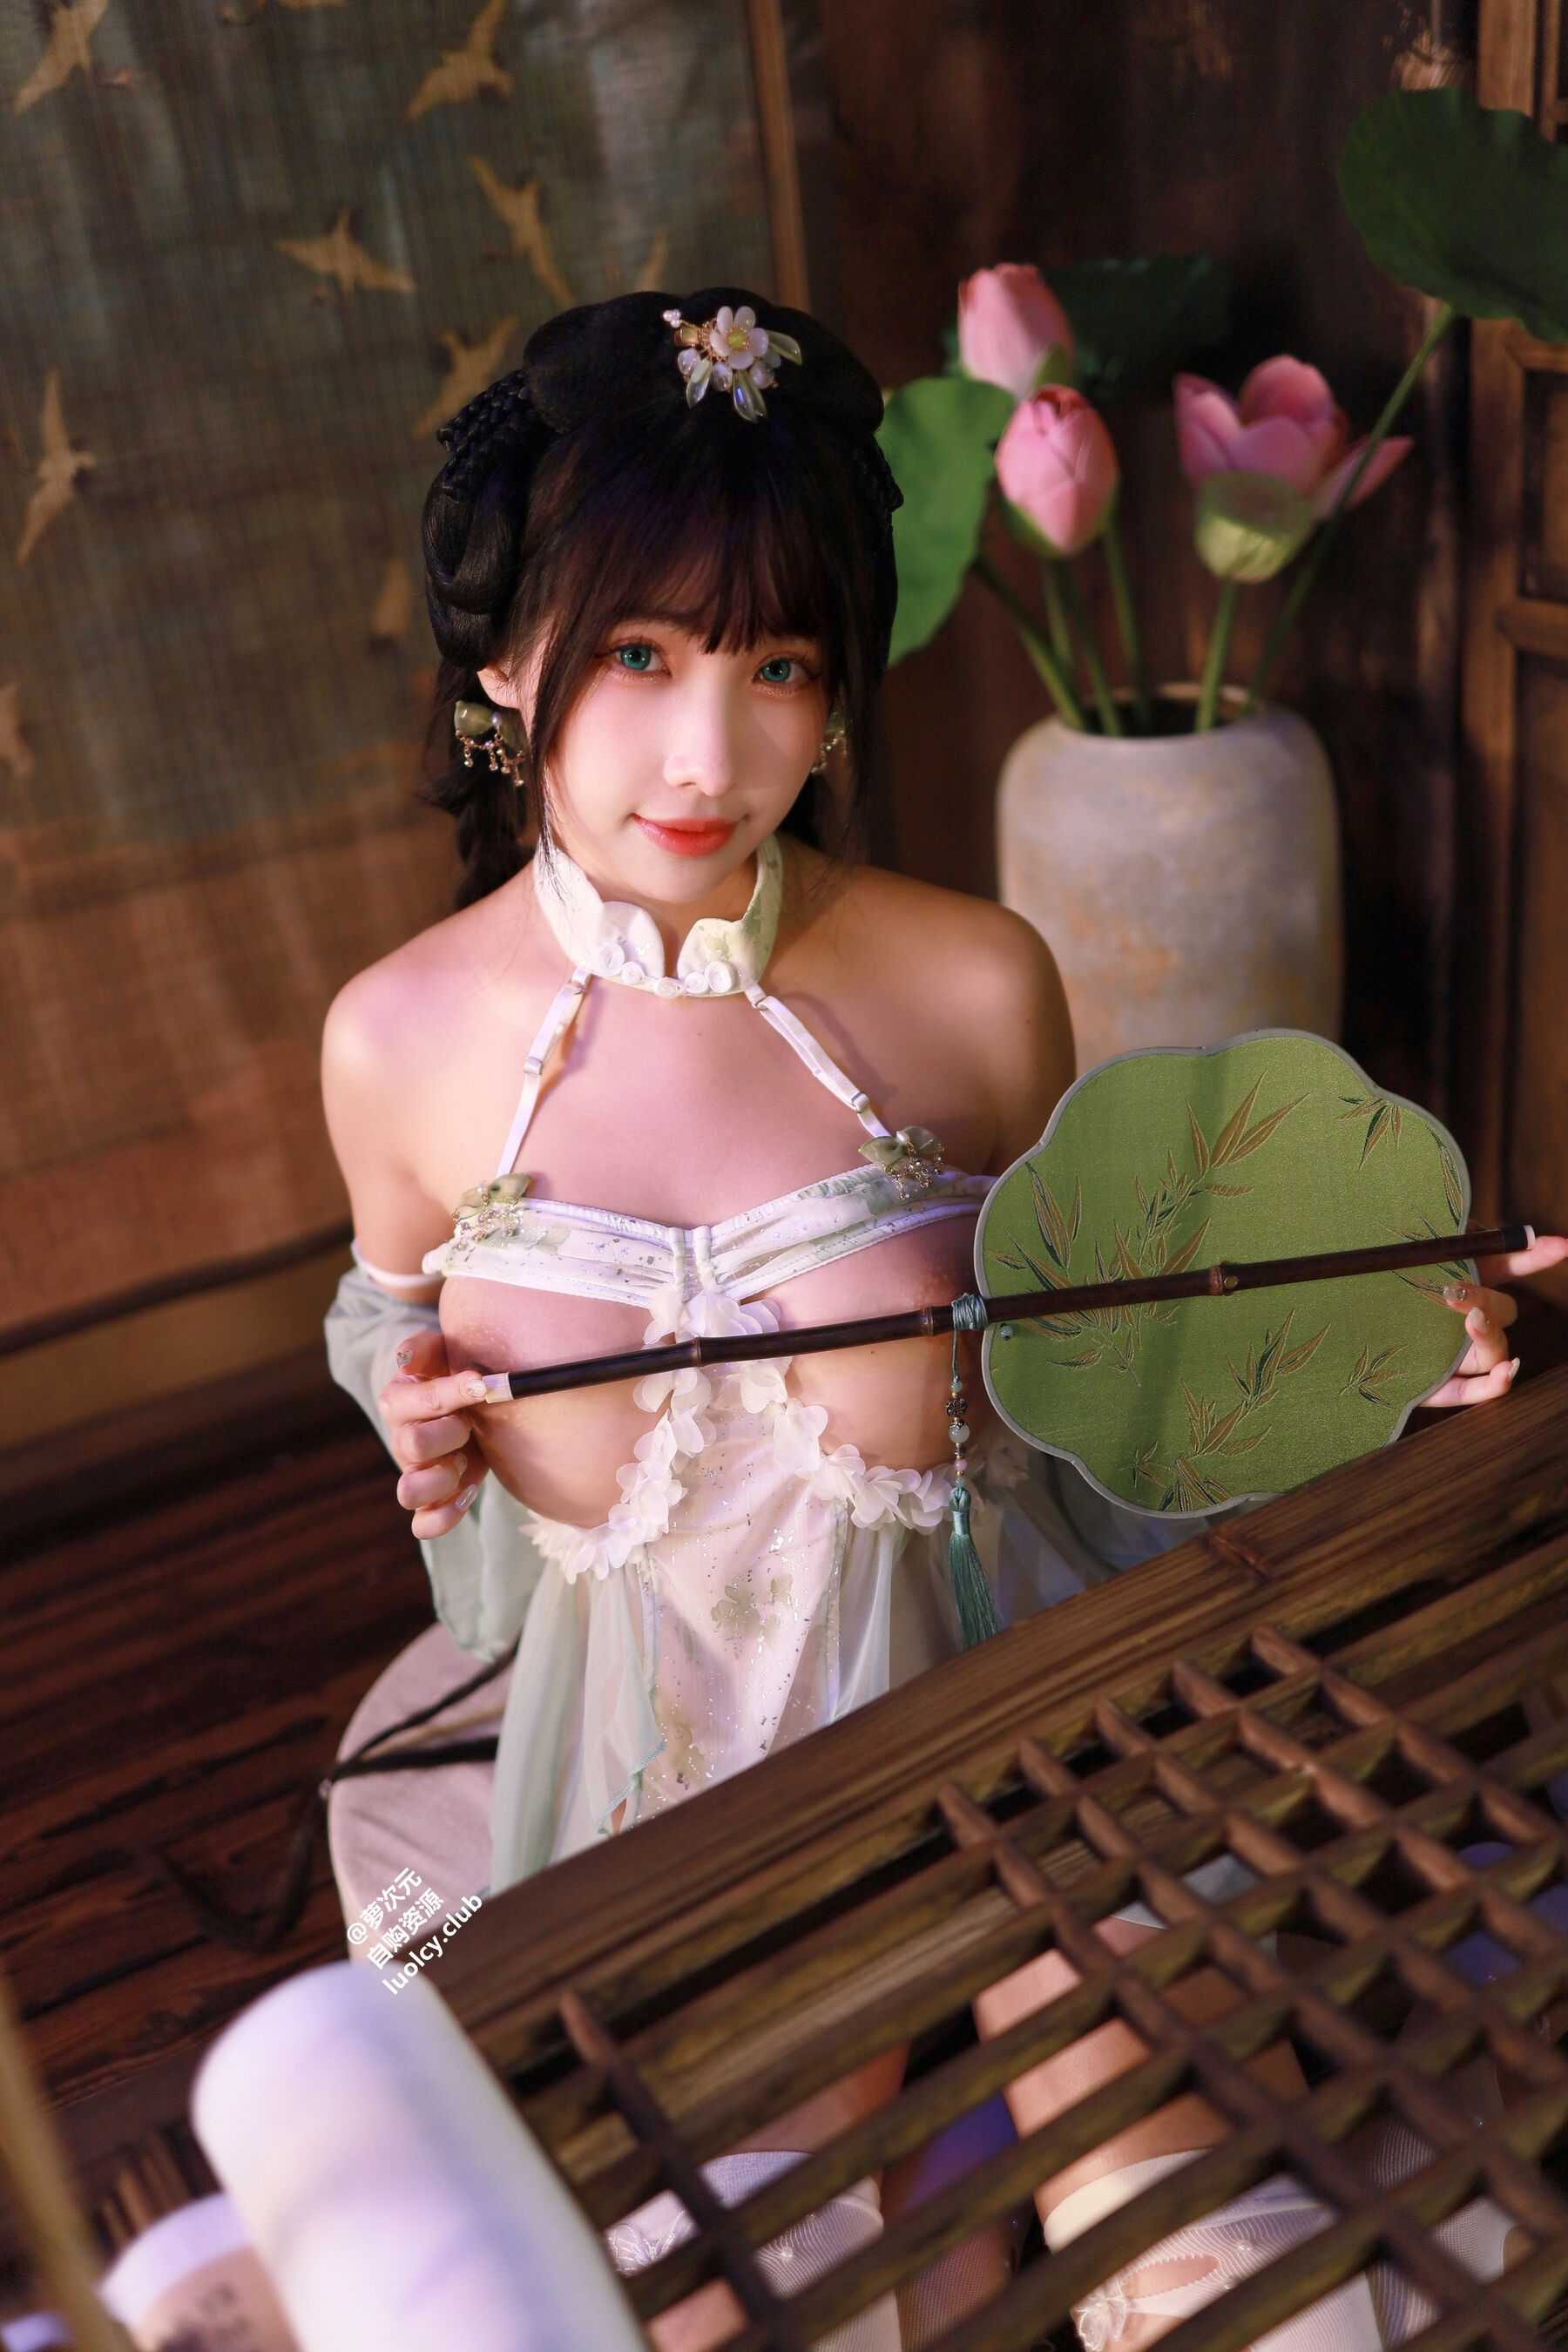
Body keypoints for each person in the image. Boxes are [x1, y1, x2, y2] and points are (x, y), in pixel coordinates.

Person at [320, 287, 1566, 2350]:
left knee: (1194, 2249)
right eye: (638, 657)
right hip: (662, 1810)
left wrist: (1367, 1334)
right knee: (737, 2288)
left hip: (1021, 1738)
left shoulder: (973, 985)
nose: (711, 754)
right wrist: (415, 1406)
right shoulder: (398, 1042)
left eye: (777, 665)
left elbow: (1105, 1349)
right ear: (506, 658)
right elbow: (379, 1315)